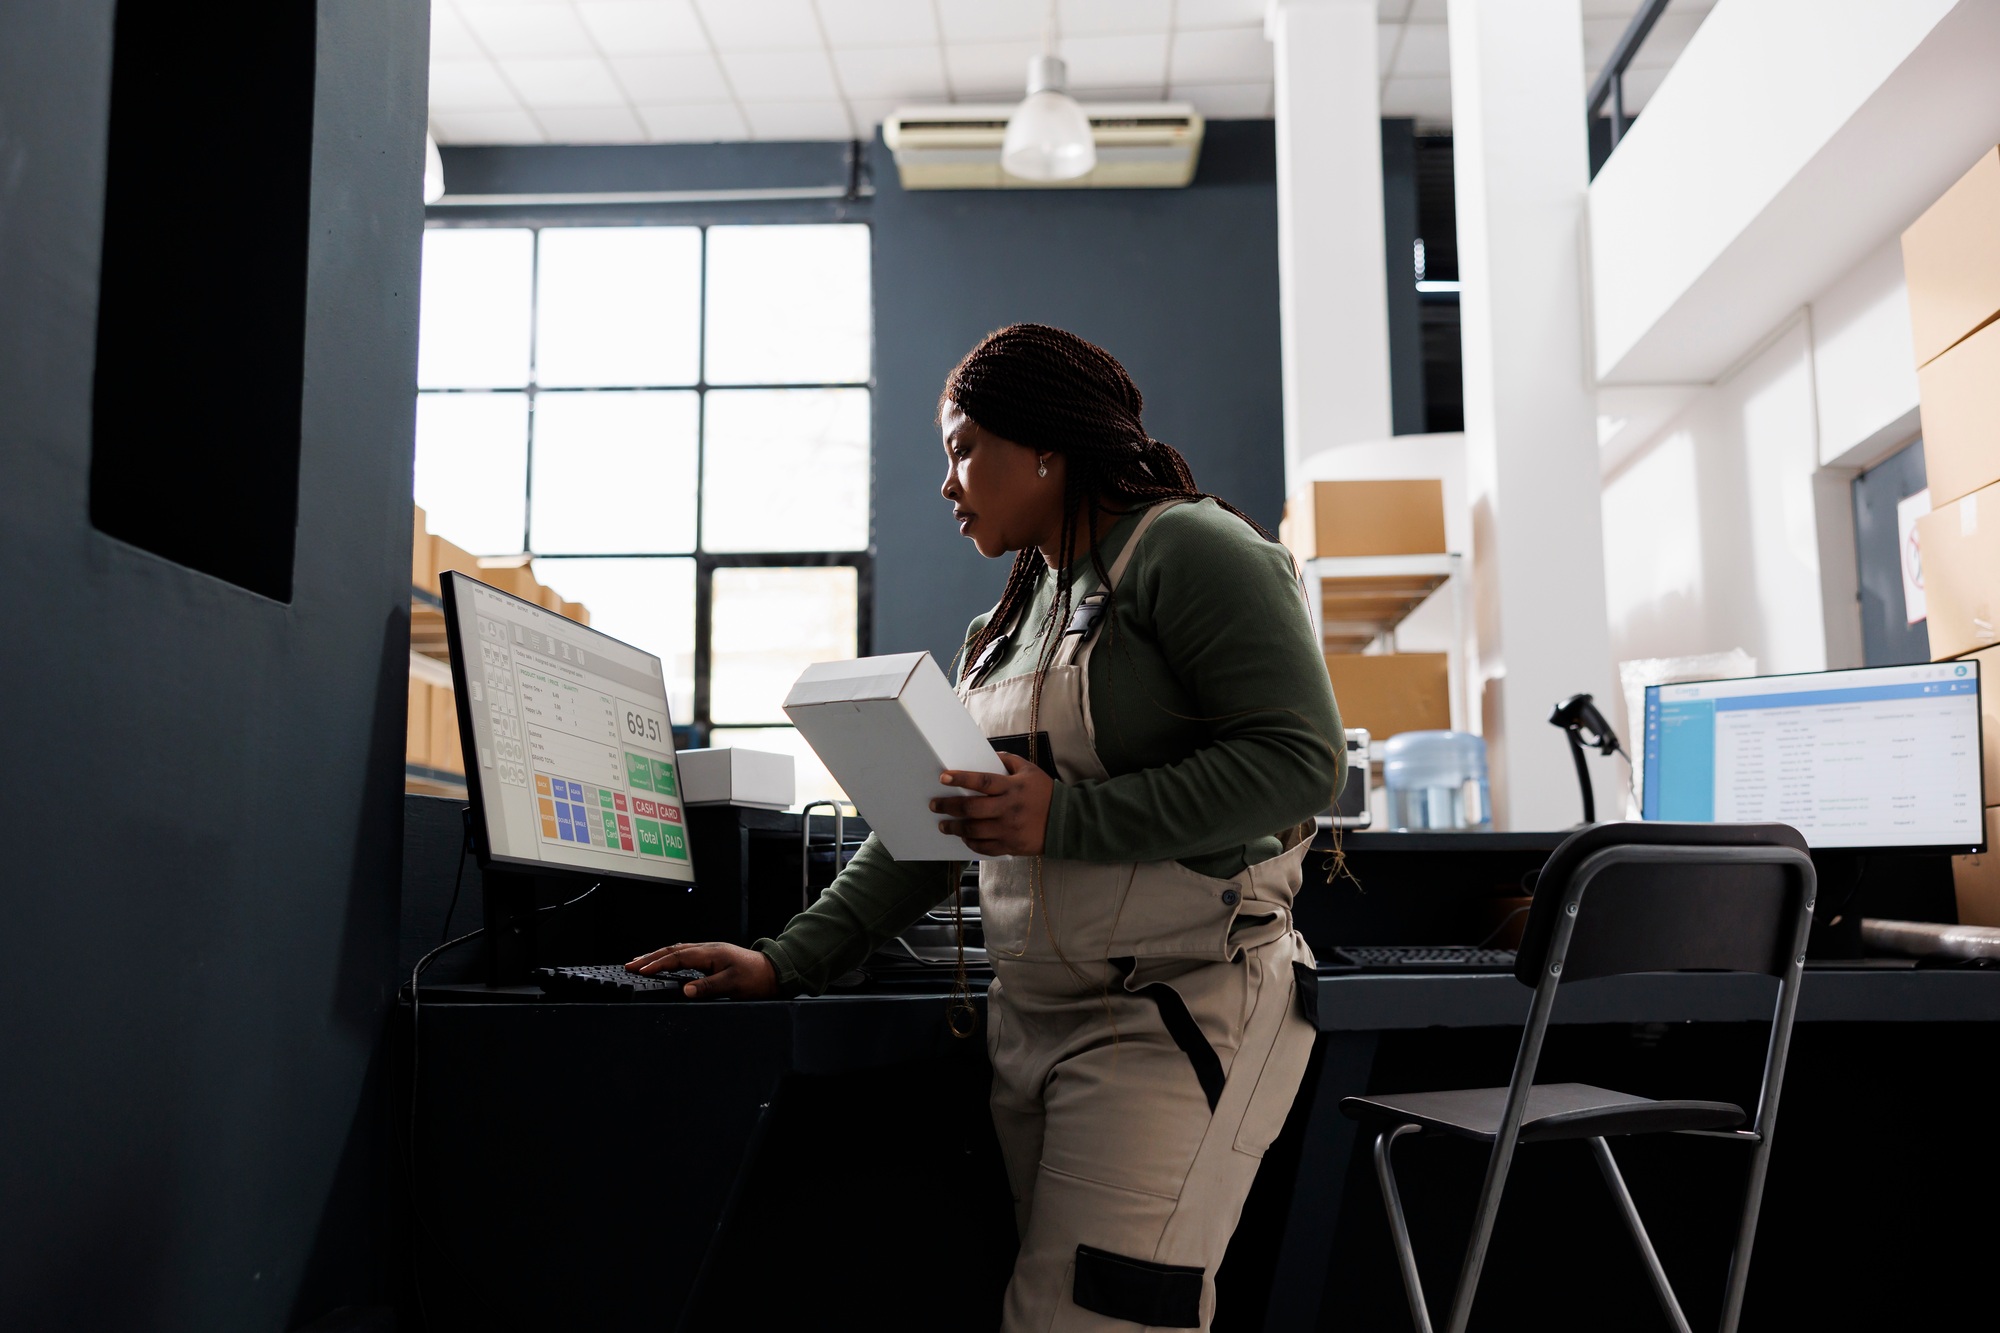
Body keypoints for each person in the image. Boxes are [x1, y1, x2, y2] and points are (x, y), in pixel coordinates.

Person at [629, 323, 1344, 1331]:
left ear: (1045, 445)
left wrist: (1067, 815)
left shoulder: (1194, 550)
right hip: (1033, 1024)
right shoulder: (1001, 623)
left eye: (962, 446)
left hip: (1175, 1011)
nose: (946, 480)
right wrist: (785, 960)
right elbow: (936, 822)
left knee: (1092, 1319)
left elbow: (1298, 764)